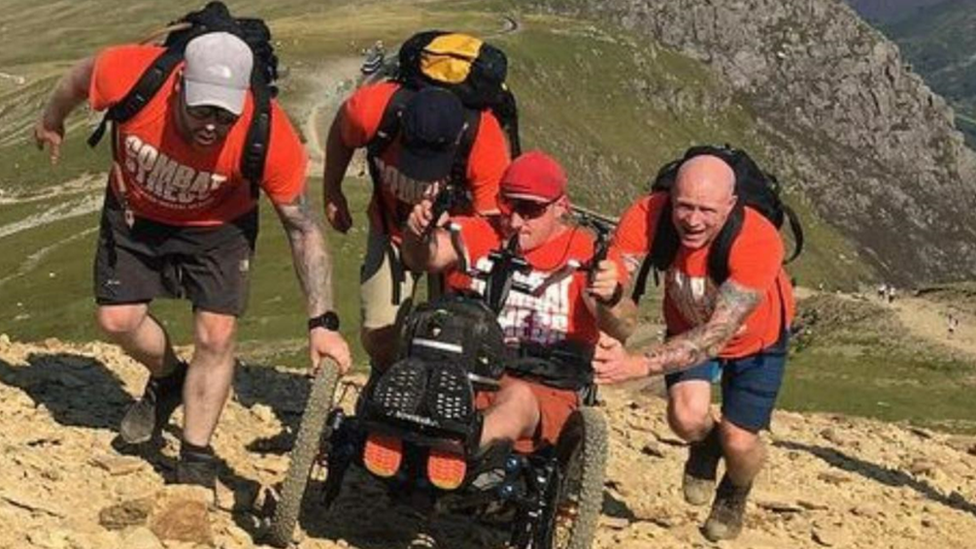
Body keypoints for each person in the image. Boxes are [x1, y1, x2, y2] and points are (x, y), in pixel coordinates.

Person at [33, 32, 351, 489]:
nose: (212, 126)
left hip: (220, 228)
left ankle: (195, 458)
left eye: (225, 115)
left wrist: (321, 320)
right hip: (135, 212)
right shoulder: (131, 73)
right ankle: (168, 379)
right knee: (117, 321)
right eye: (202, 110)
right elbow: (80, 78)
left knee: (216, 334)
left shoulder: (267, 130)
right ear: (180, 83)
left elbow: (303, 228)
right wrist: (52, 118)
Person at [392, 150, 636, 489]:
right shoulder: (481, 232)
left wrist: (611, 297)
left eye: (531, 210)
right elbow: (427, 257)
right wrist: (416, 235)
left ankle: (454, 454)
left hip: (545, 386)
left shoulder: (587, 254)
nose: (516, 221)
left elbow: (622, 326)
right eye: (508, 205)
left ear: (560, 207)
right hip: (471, 371)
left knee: (518, 398)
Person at [593, 153, 794, 541]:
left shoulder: (758, 238)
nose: (692, 220)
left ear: (731, 205)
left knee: (740, 440)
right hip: (687, 324)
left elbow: (718, 334)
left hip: (758, 340)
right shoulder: (648, 213)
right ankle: (704, 446)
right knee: (685, 418)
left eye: (706, 210)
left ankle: (736, 488)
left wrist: (635, 366)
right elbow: (620, 276)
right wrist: (610, 291)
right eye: (684, 206)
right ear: (671, 199)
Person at [323, 80, 510, 369]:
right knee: (379, 335)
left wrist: (448, 239)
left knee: (459, 336)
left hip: (454, 244)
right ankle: (388, 380)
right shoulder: (371, 109)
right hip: (391, 229)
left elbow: (492, 225)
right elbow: (342, 132)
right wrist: (332, 189)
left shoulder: (483, 138)